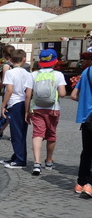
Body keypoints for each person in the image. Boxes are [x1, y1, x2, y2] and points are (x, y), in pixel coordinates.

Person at [25, 49, 67, 176]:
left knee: (37, 134)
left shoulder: (33, 74)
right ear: (55, 61)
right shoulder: (58, 75)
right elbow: (63, 94)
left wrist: (27, 111)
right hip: (53, 109)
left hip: (37, 108)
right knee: (51, 135)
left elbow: (27, 95)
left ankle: (37, 163)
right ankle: (49, 161)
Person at [0, 49, 32, 170]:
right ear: (24, 59)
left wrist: (3, 105)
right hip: (24, 103)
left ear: (11, 60)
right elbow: (29, 92)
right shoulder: (28, 74)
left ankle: (20, 160)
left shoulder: (10, 73)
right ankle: (17, 156)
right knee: (21, 131)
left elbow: (9, 90)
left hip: (14, 103)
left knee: (16, 133)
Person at [70, 60, 92, 197]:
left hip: (86, 117)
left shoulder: (87, 71)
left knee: (87, 151)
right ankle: (89, 185)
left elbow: (73, 95)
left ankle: (80, 183)